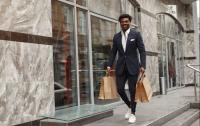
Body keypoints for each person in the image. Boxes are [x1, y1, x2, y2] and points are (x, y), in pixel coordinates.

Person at [107, 14, 146, 123]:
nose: (124, 23)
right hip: (121, 67)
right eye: (122, 22)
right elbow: (113, 52)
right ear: (120, 23)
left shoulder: (136, 34)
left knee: (133, 90)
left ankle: (133, 113)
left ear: (130, 22)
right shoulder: (117, 36)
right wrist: (109, 65)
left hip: (133, 66)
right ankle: (130, 105)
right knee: (120, 89)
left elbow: (142, 51)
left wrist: (143, 65)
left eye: (126, 21)